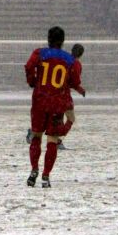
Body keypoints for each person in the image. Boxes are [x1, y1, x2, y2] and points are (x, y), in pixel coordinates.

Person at [23, 27, 80, 188]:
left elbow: (28, 67)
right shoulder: (70, 60)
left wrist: (32, 81)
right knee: (53, 140)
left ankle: (34, 169)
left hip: (40, 100)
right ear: (63, 41)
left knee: (36, 136)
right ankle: (46, 175)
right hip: (57, 103)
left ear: (48, 39)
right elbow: (74, 82)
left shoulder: (39, 53)